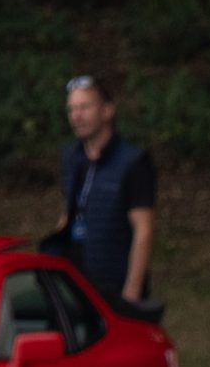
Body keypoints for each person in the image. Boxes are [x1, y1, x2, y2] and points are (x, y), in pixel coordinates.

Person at [53, 74, 157, 307]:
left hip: (114, 280)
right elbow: (68, 212)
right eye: (72, 109)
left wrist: (131, 292)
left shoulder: (133, 162)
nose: (76, 116)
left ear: (107, 111)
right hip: (77, 278)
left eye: (84, 108)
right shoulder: (71, 157)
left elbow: (143, 230)